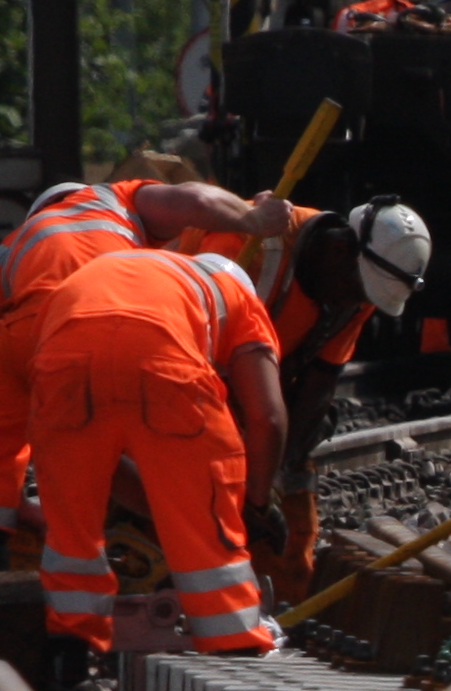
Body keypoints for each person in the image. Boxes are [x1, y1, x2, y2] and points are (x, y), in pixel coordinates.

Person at [0, 164, 293, 594]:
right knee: (152, 427)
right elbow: (196, 201)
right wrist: (255, 219)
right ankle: (195, 534)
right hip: (115, 316)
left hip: (32, 331)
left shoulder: (13, 247)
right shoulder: (114, 201)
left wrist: (21, 487)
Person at [29, 244, 289, 691]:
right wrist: (257, 504)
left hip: (62, 363)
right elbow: (268, 417)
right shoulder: (237, 297)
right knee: (211, 533)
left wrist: (163, 510)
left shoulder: (111, 271)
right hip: (165, 361)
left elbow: (105, 470)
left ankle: (66, 660)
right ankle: (235, 648)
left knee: (72, 528)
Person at [176, 198, 436, 598]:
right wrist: (248, 483)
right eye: (357, 291)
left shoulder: (357, 287)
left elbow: (321, 378)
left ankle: (284, 598)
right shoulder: (249, 246)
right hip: (190, 379)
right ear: (338, 250)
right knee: (198, 503)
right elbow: (184, 349)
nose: (357, 304)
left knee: (288, 504)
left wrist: (277, 472)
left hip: (259, 387)